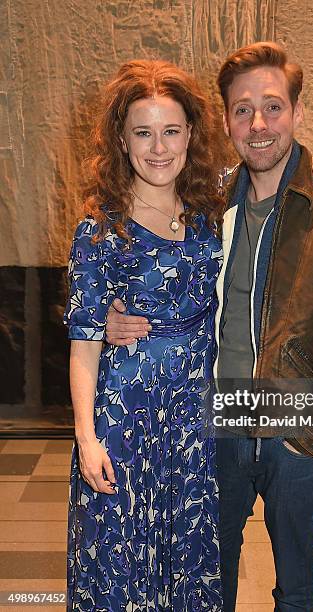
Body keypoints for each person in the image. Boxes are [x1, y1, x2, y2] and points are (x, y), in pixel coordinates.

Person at [106, 42, 313, 612]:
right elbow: (150, 255)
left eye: (273, 107)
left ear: (298, 112)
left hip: (294, 432)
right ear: (226, 118)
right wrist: (113, 313)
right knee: (210, 575)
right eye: (242, 109)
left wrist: (312, 433)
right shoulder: (208, 203)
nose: (259, 124)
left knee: (296, 579)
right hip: (216, 428)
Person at [63, 59, 225, 611]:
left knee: (190, 563)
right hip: (125, 425)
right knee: (118, 567)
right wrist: (87, 437)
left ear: (191, 136)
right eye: (143, 132)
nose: (159, 147)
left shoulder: (209, 209)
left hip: (193, 428)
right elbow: (83, 341)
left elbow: (270, 162)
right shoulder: (100, 229)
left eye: (171, 130)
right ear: (122, 140)